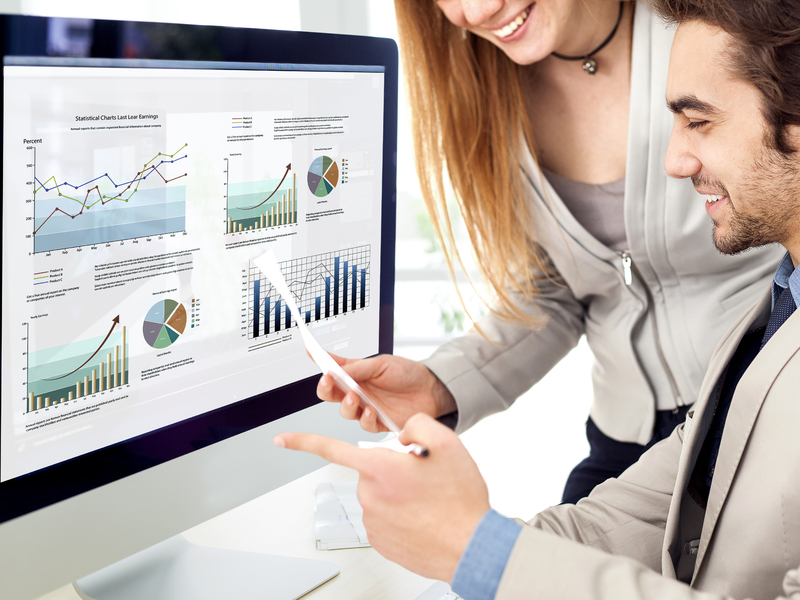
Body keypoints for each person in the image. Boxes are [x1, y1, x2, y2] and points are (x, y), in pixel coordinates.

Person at [275, 0, 800, 597]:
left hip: (770, 410)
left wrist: (474, 550)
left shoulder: (716, 28)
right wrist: (443, 388)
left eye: (698, 123)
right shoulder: (487, 83)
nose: (476, 9)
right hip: (645, 436)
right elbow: (555, 286)